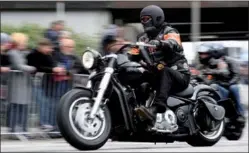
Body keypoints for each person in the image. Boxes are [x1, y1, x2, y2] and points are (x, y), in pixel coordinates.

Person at [133, 5, 191, 129]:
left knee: (165, 71)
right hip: (158, 74)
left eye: (146, 19)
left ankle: (156, 108)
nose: (143, 22)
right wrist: (120, 56)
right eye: (142, 19)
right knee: (137, 76)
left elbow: (173, 43)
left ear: (157, 18)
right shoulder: (142, 37)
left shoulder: (169, 31)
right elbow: (133, 53)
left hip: (179, 74)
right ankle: (136, 110)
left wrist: (160, 43)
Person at [195, 43, 245, 125]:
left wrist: (228, 83)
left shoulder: (225, 61)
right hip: (219, 84)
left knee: (234, 88)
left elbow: (229, 73)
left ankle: (240, 113)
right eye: (201, 54)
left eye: (205, 53)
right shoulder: (205, 64)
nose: (203, 56)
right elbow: (204, 76)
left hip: (229, 84)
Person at [27, 38, 66, 131]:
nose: (49, 50)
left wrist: (58, 68)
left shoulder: (48, 55)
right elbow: (37, 68)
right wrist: (52, 70)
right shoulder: (33, 55)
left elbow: (52, 65)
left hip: (47, 84)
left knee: (48, 104)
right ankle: (44, 124)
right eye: (47, 48)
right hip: (37, 83)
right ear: (41, 46)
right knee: (42, 103)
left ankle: (48, 124)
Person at [7, 33, 36, 135]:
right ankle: (13, 129)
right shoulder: (12, 53)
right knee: (15, 106)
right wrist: (34, 68)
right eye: (24, 41)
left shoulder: (22, 52)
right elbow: (19, 66)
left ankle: (24, 129)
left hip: (24, 84)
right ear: (18, 41)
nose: (26, 43)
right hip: (16, 84)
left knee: (24, 107)